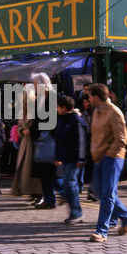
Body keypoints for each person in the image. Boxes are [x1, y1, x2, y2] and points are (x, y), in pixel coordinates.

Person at [87, 83, 127, 242]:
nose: (87, 99)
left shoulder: (114, 112)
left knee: (108, 194)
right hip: (99, 158)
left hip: (113, 157)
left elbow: (122, 139)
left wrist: (108, 154)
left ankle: (101, 231)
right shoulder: (96, 112)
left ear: (96, 97)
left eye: (89, 96)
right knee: (97, 190)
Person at [30, 72, 63, 209]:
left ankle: (65, 195)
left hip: (50, 142)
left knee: (53, 174)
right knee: (45, 173)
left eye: (35, 84)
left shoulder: (54, 98)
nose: (34, 87)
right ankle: (49, 199)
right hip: (42, 142)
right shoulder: (41, 99)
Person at [55, 96, 86, 224]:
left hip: (75, 158)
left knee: (69, 183)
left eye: (58, 107)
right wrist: (58, 156)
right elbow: (59, 139)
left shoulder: (76, 120)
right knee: (68, 184)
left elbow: (81, 140)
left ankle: (76, 212)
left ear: (64, 108)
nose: (56, 109)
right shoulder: (63, 120)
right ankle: (75, 211)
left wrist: (81, 158)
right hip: (66, 158)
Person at [10, 90, 43, 204]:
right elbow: (18, 126)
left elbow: (40, 126)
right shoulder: (22, 112)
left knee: (34, 170)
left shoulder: (37, 111)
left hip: (34, 143)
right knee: (25, 169)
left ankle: (39, 193)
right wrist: (22, 131)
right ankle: (31, 192)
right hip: (25, 143)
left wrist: (31, 131)